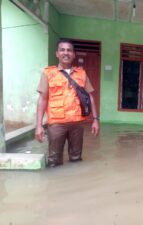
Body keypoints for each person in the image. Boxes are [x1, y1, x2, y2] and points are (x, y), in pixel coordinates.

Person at [35, 39, 100, 167]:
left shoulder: (81, 74)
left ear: (74, 54)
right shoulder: (48, 73)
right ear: (57, 53)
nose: (66, 53)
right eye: (62, 50)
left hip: (77, 123)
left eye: (69, 50)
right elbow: (42, 100)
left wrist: (95, 119)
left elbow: (90, 97)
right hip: (56, 124)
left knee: (76, 158)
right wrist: (38, 125)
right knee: (54, 160)